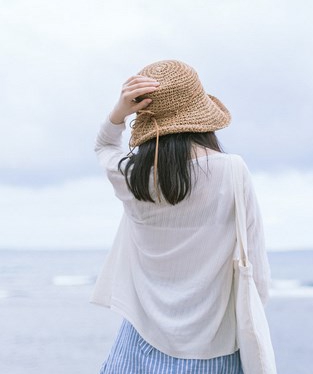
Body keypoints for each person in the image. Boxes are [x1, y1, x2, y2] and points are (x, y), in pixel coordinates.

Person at [91, 59, 272, 373]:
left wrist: (119, 111)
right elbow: (255, 268)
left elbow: (105, 144)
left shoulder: (132, 176)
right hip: (214, 346)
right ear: (201, 115)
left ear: (145, 118)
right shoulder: (232, 171)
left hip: (139, 343)